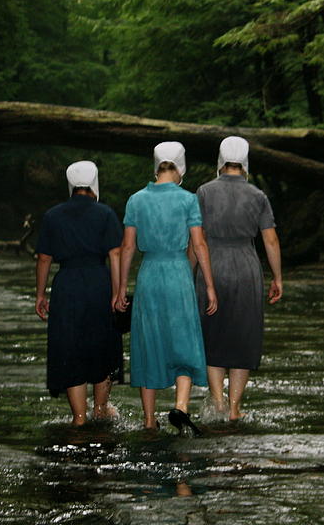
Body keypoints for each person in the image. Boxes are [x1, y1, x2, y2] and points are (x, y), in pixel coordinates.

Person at [113, 141, 217, 434]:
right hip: (179, 275)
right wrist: (209, 285)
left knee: (148, 343)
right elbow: (199, 245)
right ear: (180, 166)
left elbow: (127, 247)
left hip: (149, 276)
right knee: (183, 339)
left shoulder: (136, 200)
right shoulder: (188, 200)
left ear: (156, 165)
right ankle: (181, 406)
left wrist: (121, 288)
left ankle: (148, 421)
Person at [193, 136, 282, 421]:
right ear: (245, 162)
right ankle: (234, 408)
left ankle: (218, 401)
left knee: (212, 332)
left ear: (220, 161)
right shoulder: (258, 195)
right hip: (246, 266)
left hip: (212, 264)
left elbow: (197, 240)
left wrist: (187, 272)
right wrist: (278, 277)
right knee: (244, 336)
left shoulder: (204, 192)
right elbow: (270, 240)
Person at [35, 160, 123, 426]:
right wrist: (118, 291)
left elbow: (44, 258)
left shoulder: (53, 215)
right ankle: (100, 408)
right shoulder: (105, 213)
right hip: (99, 282)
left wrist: (40, 294)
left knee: (70, 345)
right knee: (102, 342)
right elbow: (115, 253)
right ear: (94, 183)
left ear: (70, 184)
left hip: (67, 285)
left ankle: (79, 416)